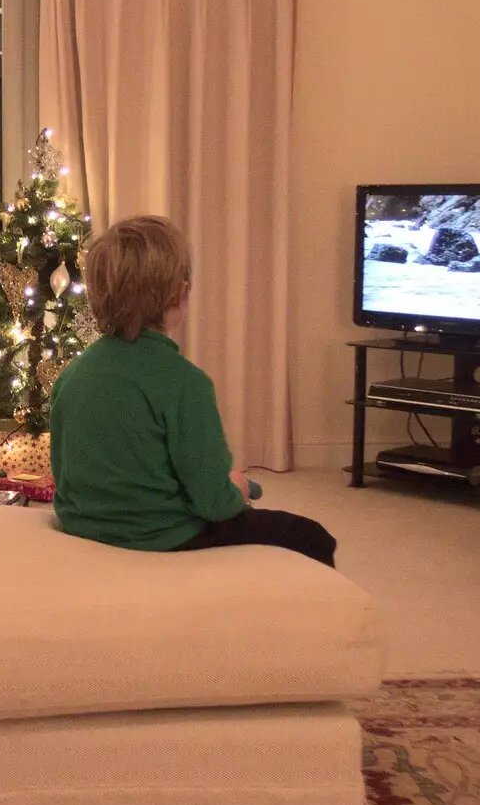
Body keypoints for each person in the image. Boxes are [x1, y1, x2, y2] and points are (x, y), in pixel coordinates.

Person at [50, 215, 336, 567]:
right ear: (179, 293)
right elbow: (215, 504)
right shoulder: (186, 384)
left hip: (84, 527)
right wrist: (240, 489)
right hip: (164, 536)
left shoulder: (73, 374)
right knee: (313, 536)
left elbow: (64, 471)